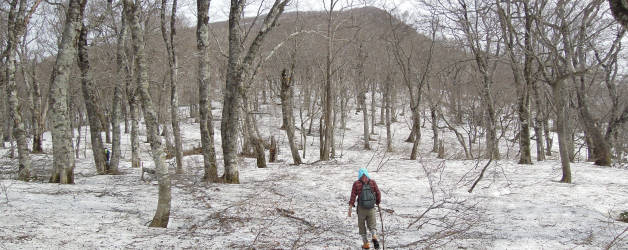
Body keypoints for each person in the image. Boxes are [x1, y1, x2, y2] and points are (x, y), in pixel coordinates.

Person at [348, 168, 381, 249]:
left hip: (361, 209)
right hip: (371, 208)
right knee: (372, 225)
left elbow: (353, 196)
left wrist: (350, 208)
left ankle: (366, 244)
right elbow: (378, 193)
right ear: (367, 174)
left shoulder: (356, 183)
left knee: (362, 226)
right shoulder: (372, 182)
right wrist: (377, 202)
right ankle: (374, 236)